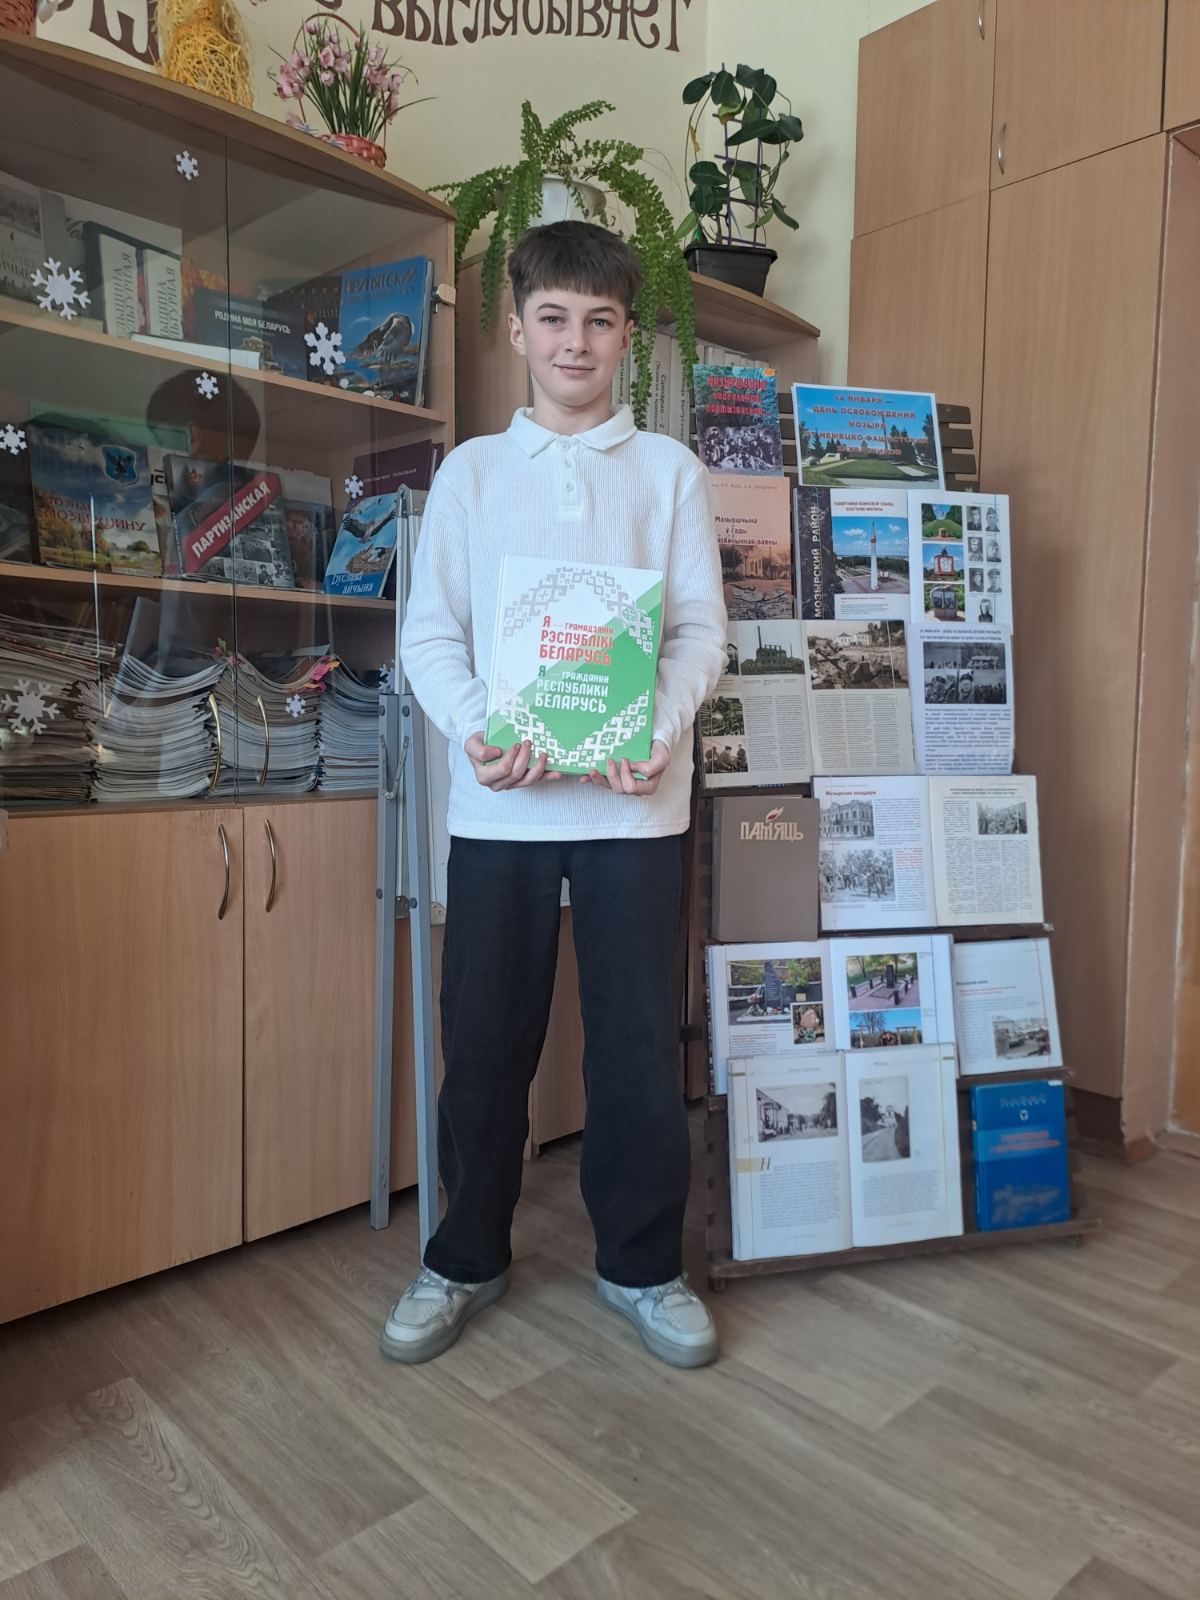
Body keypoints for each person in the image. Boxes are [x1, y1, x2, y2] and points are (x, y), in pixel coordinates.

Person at [383, 222, 726, 1369]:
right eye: (554, 318)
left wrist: (658, 730)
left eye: (600, 320)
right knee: (484, 1041)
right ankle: (462, 1256)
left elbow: (699, 633)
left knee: (636, 1046)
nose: (575, 341)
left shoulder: (669, 473)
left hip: (635, 806)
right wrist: (476, 727)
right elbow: (430, 635)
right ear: (518, 328)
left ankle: (643, 1265)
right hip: (501, 808)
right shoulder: (472, 473)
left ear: (627, 335)